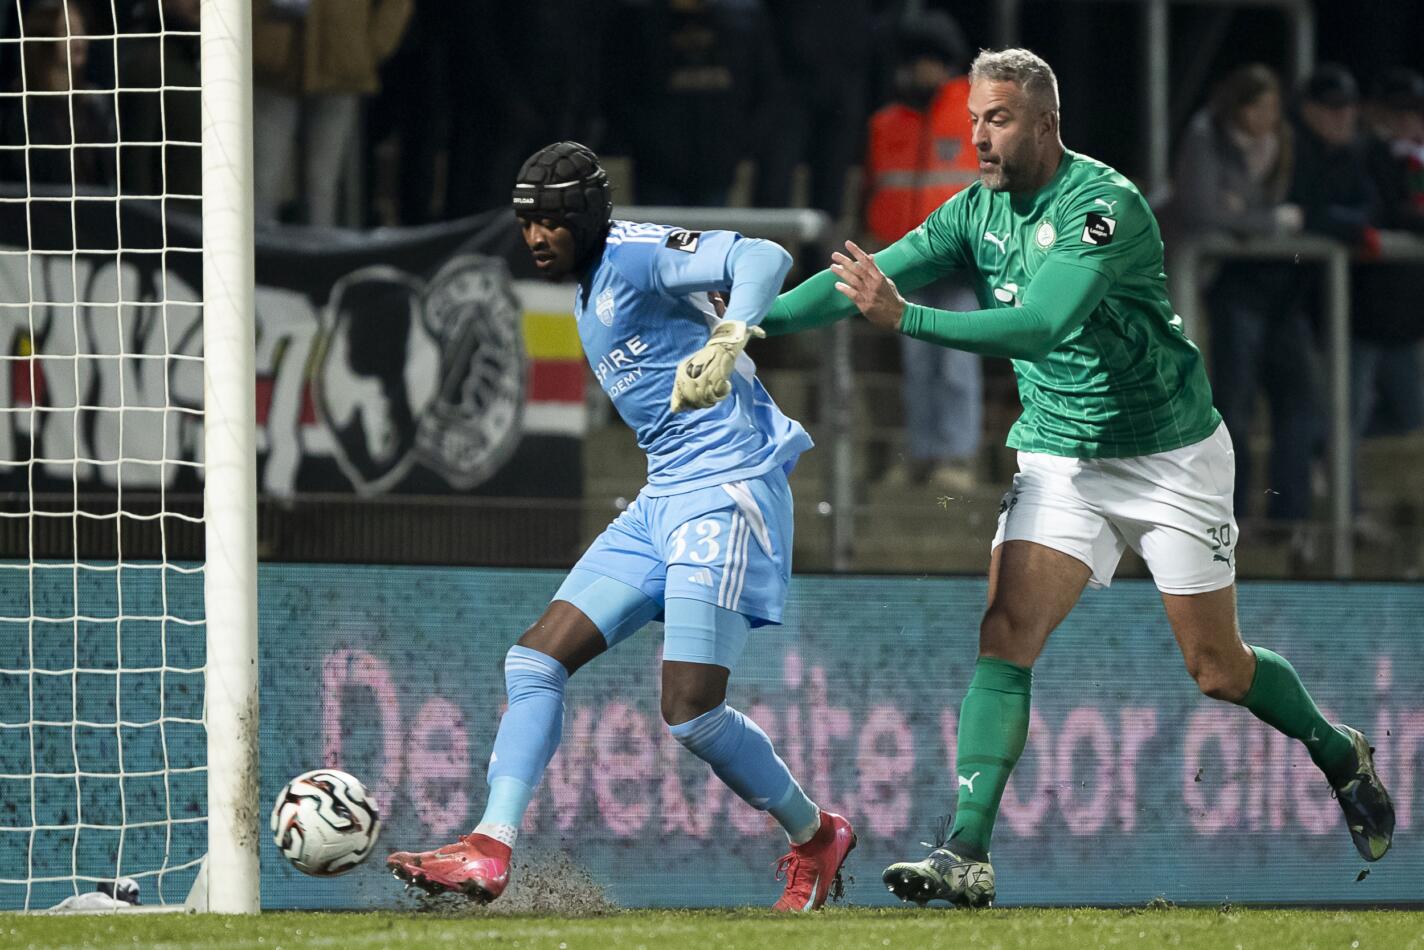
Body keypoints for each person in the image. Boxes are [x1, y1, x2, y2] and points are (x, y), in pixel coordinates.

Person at [680, 48, 1396, 907]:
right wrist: (746, 333)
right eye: (975, 119)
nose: (980, 136)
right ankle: (965, 850)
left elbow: (1041, 325)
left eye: (1000, 119)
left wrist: (902, 316)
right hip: (1060, 453)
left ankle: (1336, 749)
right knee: (1006, 633)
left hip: (1168, 454)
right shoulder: (973, 211)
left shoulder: (1104, 206)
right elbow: (856, 286)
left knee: (1217, 669)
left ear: (1047, 123)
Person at [385, 142, 856, 911]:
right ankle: (489, 847)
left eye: (550, 223)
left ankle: (816, 836)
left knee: (691, 714)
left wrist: (729, 335)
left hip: (727, 488)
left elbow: (765, 255)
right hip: (661, 497)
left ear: (586, 217)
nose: (535, 238)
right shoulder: (585, 283)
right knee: (534, 661)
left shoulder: (635, 255)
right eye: (526, 224)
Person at [1170, 63, 1314, 525]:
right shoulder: (1205, 136)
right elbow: (1203, 210)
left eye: (1273, 108)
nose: (1266, 118)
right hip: (1219, 282)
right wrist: (1266, 220)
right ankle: (1226, 515)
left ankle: (1288, 518)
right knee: (1231, 401)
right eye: (1257, 107)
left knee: (1296, 398)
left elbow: (1297, 207)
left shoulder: (1285, 142)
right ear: (1238, 105)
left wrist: (1241, 212)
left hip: (1275, 285)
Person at [865, 11, 982, 492]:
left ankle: (956, 459)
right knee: (917, 369)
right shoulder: (885, 124)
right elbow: (877, 193)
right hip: (905, 268)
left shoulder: (975, 112)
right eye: (917, 62)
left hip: (961, 264)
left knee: (955, 364)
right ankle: (922, 455)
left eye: (934, 61)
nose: (925, 71)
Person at [251, 0, 412, 226]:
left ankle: (319, 255)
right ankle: (261, 257)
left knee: (323, 183)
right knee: (262, 177)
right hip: (273, 59)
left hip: (340, 60)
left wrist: (370, 49)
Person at [0, 0, 116, 191]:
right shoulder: (20, 109)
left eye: (80, 29)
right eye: (66, 30)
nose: (78, 39)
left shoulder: (94, 105)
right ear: (43, 39)